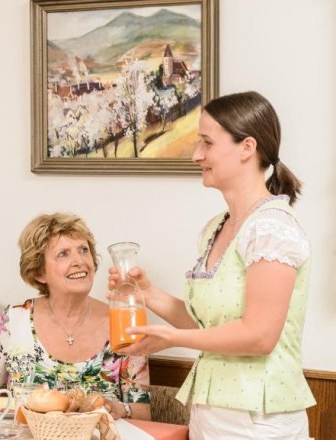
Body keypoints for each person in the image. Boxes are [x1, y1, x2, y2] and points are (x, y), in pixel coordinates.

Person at [109, 91, 314, 439]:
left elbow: (260, 336)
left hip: (259, 421)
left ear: (247, 147)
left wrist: (173, 339)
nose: (196, 155)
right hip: (210, 415)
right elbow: (209, 328)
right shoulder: (216, 228)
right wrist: (149, 294)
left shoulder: (272, 228)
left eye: (207, 143)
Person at [0, 213, 151, 421]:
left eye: (83, 250)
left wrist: (119, 408)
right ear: (39, 272)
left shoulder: (124, 321)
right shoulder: (13, 320)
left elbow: (144, 415)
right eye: (63, 254)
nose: (79, 261)